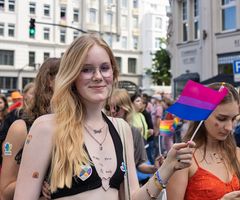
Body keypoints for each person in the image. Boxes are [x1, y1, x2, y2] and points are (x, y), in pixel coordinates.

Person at [14, 34, 195, 200]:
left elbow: (133, 198)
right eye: (86, 69)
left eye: (104, 68)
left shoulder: (121, 129)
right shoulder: (47, 127)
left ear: (113, 73)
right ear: (72, 75)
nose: (98, 76)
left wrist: (167, 168)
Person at [166, 82, 240, 200]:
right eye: (222, 119)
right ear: (203, 114)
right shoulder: (185, 158)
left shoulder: (236, 154)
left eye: (234, 119)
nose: (229, 127)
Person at [0, 58, 60, 200]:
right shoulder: (20, 128)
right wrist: (37, 181)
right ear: (50, 81)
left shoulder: (80, 125)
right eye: (67, 74)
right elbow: (4, 192)